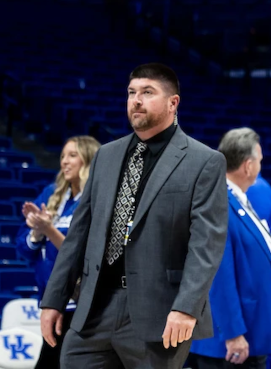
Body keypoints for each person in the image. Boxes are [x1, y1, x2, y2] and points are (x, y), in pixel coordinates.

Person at [39, 63, 229, 369]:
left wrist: (186, 307)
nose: (136, 100)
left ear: (173, 102)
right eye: (131, 92)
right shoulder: (106, 155)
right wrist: (53, 300)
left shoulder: (204, 162)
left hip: (160, 313)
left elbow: (206, 245)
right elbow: (78, 234)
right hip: (94, 308)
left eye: (147, 92)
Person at [189, 128, 271, 369]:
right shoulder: (219, 202)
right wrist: (233, 334)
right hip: (229, 344)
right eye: (260, 161)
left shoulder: (236, 198)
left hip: (244, 335)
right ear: (247, 166)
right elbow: (218, 275)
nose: (260, 167)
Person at [15, 135, 100, 368]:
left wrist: (49, 229)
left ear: (89, 160)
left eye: (73, 155)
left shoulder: (96, 199)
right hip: (50, 300)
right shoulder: (52, 193)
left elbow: (84, 255)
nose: (64, 161)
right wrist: (37, 233)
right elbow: (22, 247)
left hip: (78, 303)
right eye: (63, 156)